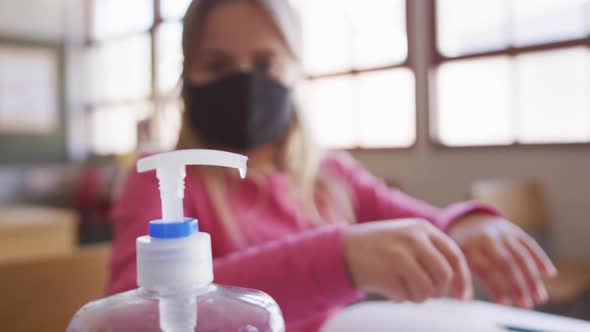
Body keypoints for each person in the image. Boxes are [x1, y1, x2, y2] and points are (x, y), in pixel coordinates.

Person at [107, 0, 557, 331]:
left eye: (265, 62)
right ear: (187, 76)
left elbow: (419, 218)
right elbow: (132, 310)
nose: (244, 80)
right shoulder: (160, 177)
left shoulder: (331, 175)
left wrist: (465, 224)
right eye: (217, 64)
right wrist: (338, 258)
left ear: (295, 72)